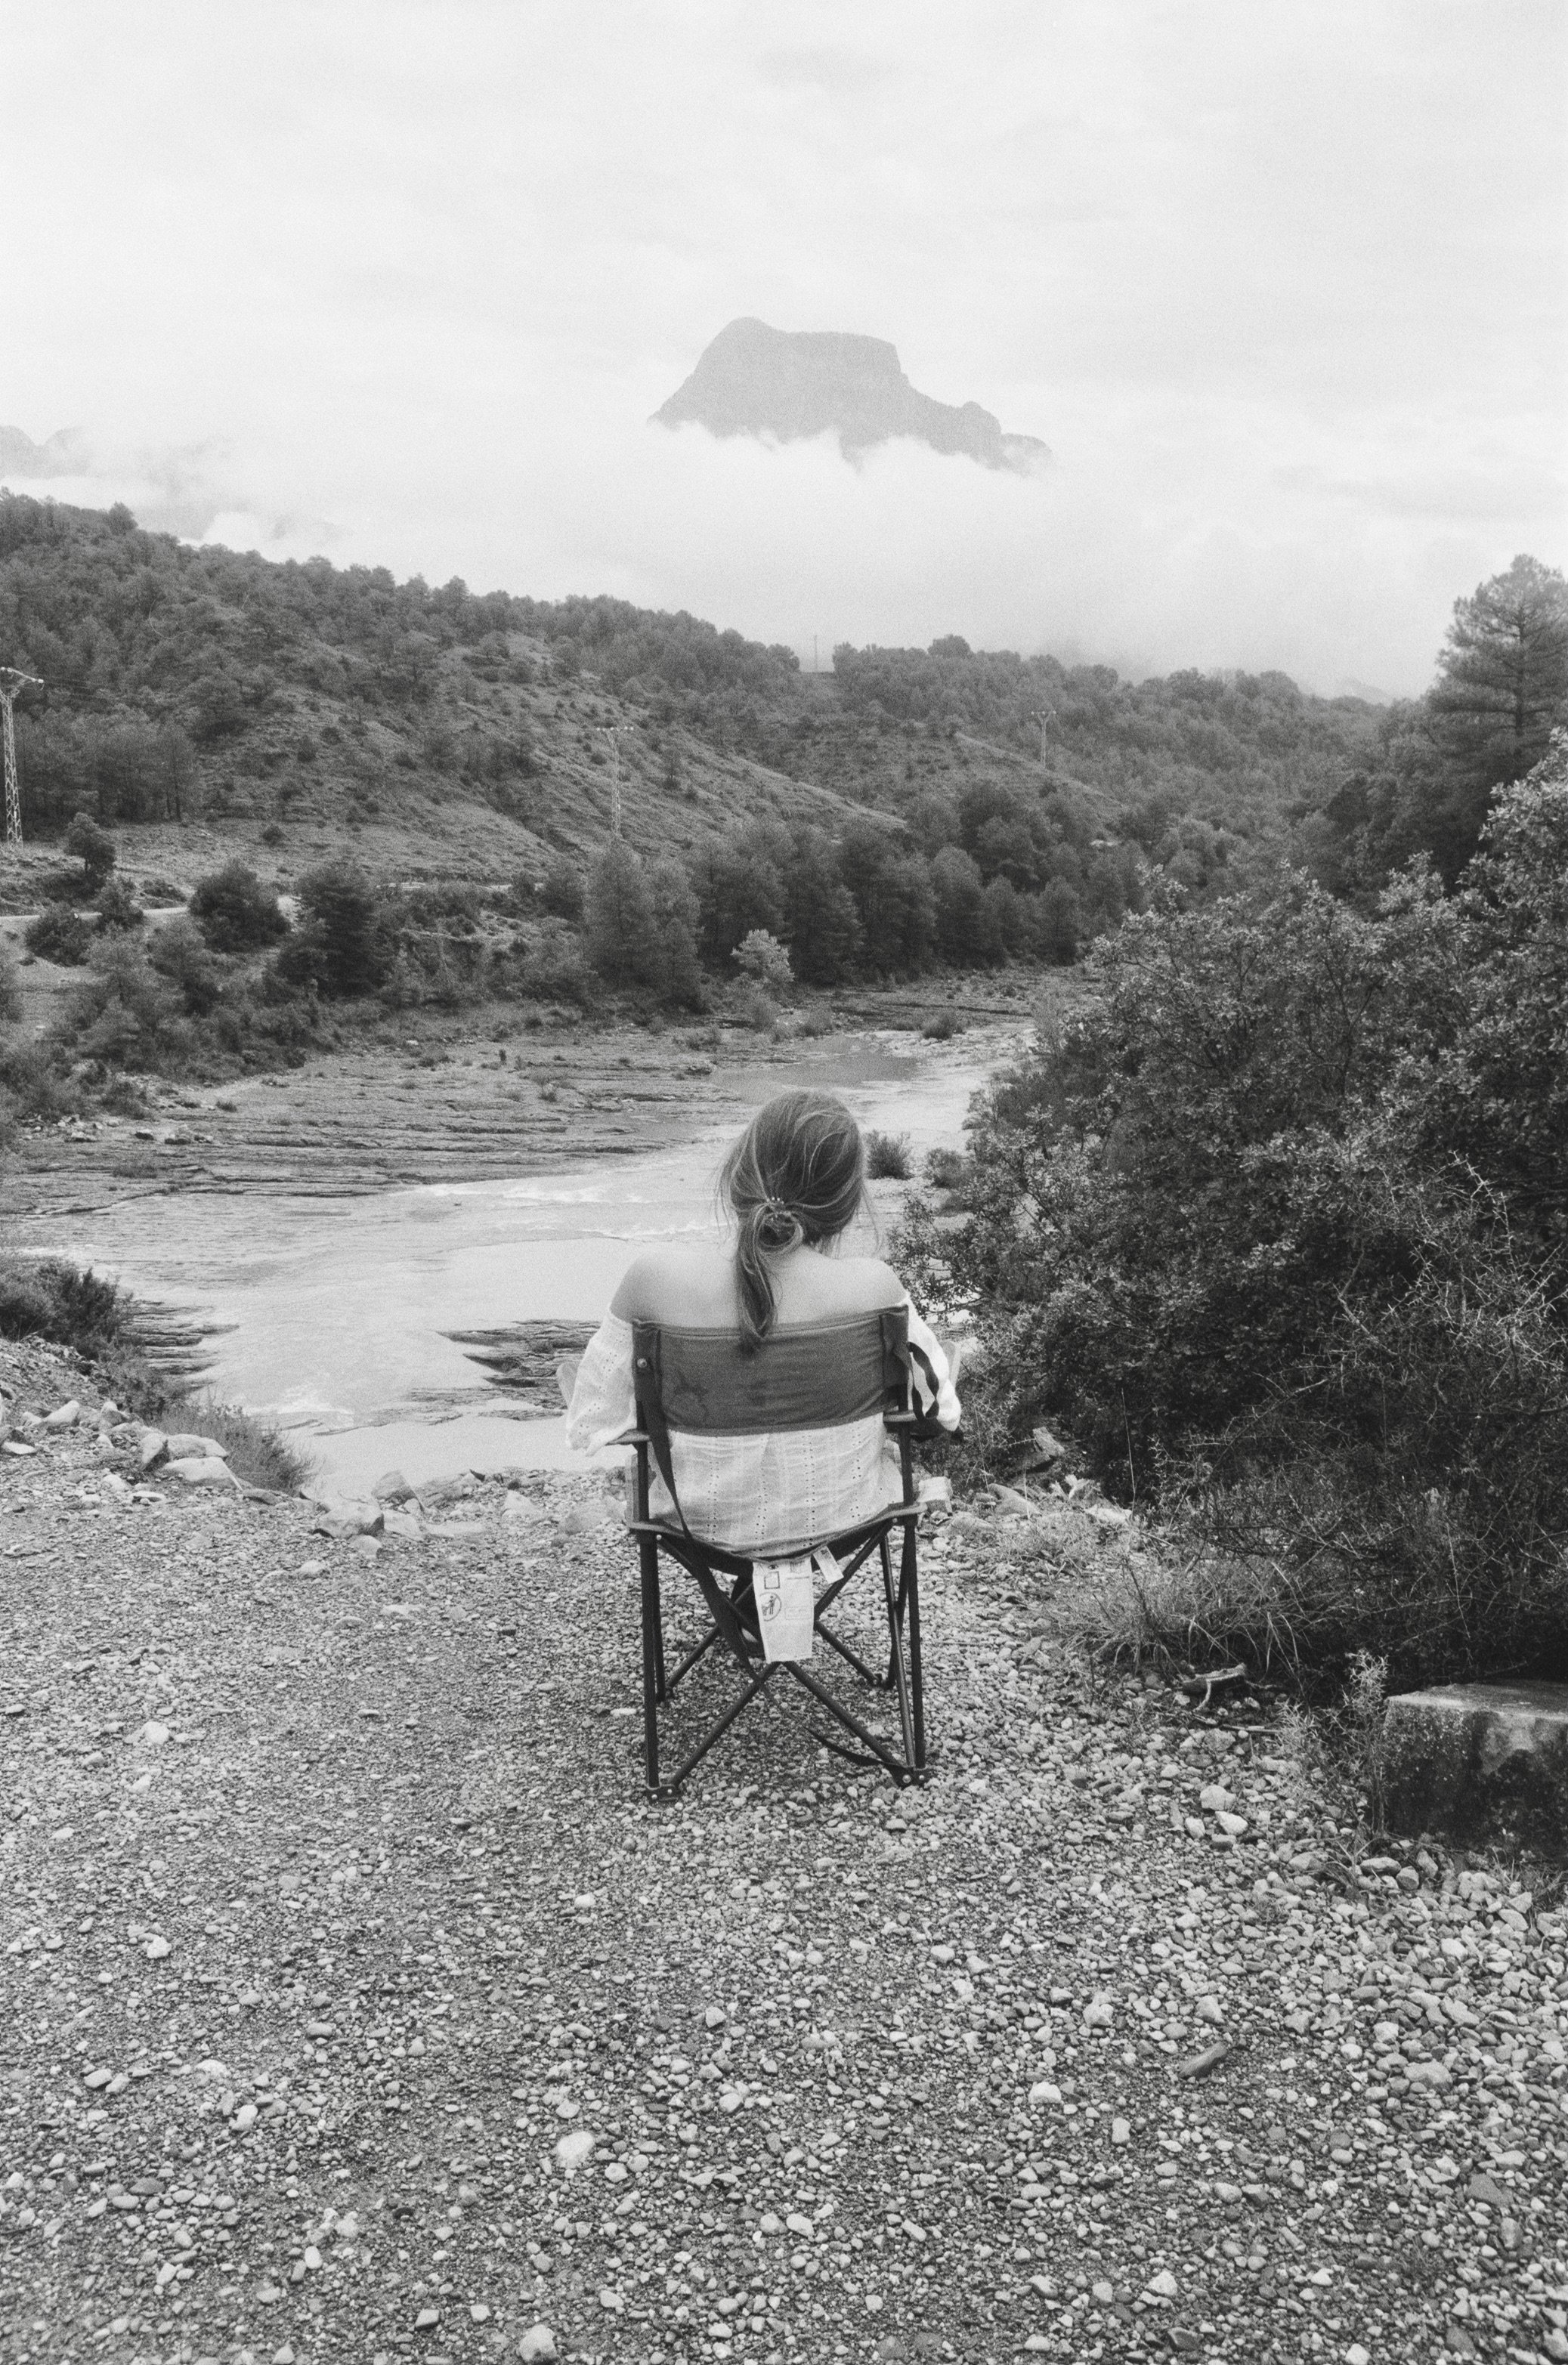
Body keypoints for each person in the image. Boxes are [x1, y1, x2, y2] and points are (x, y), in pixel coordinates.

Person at [562, 1088, 960, 1557]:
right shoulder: (877, 1289)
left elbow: (594, 1420)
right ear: (846, 1203)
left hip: (698, 1528)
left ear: (739, 1176)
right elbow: (940, 1414)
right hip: (845, 1523)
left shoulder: (649, 1281)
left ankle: (745, 1616)